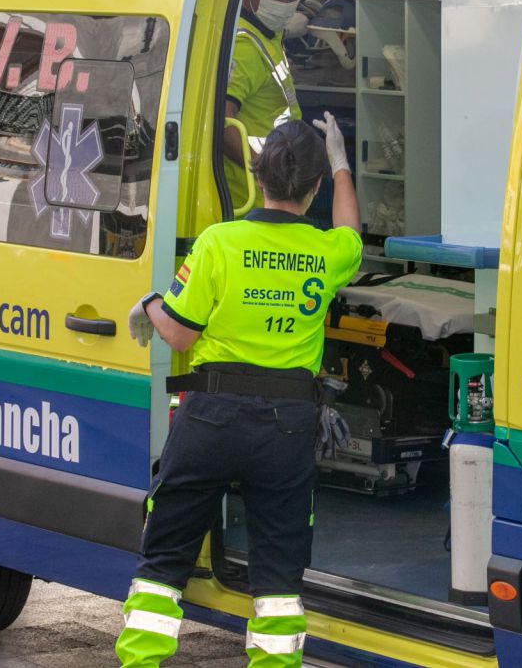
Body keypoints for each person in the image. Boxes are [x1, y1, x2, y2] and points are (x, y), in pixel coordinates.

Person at [116, 113, 359, 668]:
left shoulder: (220, 242)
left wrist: (152, 304)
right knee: (278, 572)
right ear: (315, 187)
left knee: (165, 557)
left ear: (258, 175)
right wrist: (341, 161)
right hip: (288, 427)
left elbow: (178, 330)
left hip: (210, 418)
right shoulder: (327, 253)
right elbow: (350, 231)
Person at [223, 0, 304, 211]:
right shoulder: (244, 46)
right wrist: (266, 174)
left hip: (274, 193)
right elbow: (222, 123)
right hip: (255, 199)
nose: (284, 5)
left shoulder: (267, 31)